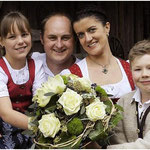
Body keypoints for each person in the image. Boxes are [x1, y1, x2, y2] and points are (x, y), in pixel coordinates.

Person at [61, 5, 134, 102]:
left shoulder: (131, 69)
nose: (88, 39)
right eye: (81, 35)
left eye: (92, 30)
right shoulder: (71, 75)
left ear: (107, 28)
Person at [0, 11, 46, 148]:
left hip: (32, 128)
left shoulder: (36, 65)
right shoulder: (1, 69)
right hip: (5, 130)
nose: (20, 41)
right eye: (12, 37)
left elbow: (41, 100)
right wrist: (42, 127)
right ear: (1, 41)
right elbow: (6, 113)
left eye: (24, 35)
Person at [106, 39, 150, 148]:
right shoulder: (124, 101)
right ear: (130, 71)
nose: (144, 74)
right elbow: (116, 139)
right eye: (138, 69)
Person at [32, 11, 80, 79]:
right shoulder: (29, 62)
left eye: (65, 38)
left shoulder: (84, 70)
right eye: (52, 38)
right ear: (42, 39)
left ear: (74, 39)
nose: (59, 45)